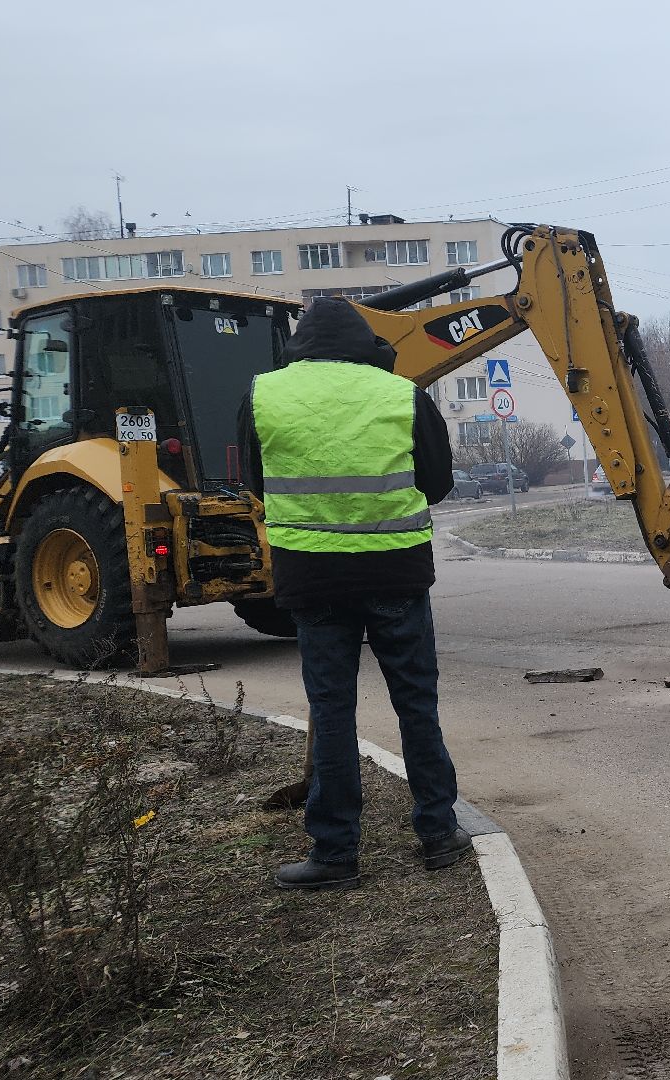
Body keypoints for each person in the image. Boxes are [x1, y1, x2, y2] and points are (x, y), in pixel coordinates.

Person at [240, 298, 469, 890]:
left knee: (332, 710)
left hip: (313, 580)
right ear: (366, 343)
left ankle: (335, 854)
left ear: (300, 346)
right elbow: (438, 482)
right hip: (396, 574)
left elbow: (251, 482)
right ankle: (439, 835)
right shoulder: (402, 394)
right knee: (417, 705)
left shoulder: (264, 394)